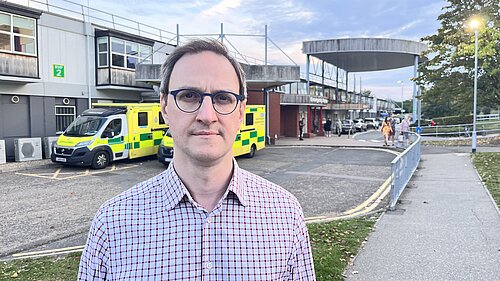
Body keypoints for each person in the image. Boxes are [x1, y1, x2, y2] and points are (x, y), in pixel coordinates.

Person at [78, 39, 315, 280]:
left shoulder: (285, 213)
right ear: (164, 107)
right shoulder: (112, 222)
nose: (207, 115)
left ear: (241, 111)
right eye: (189, 95)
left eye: (223, 98)